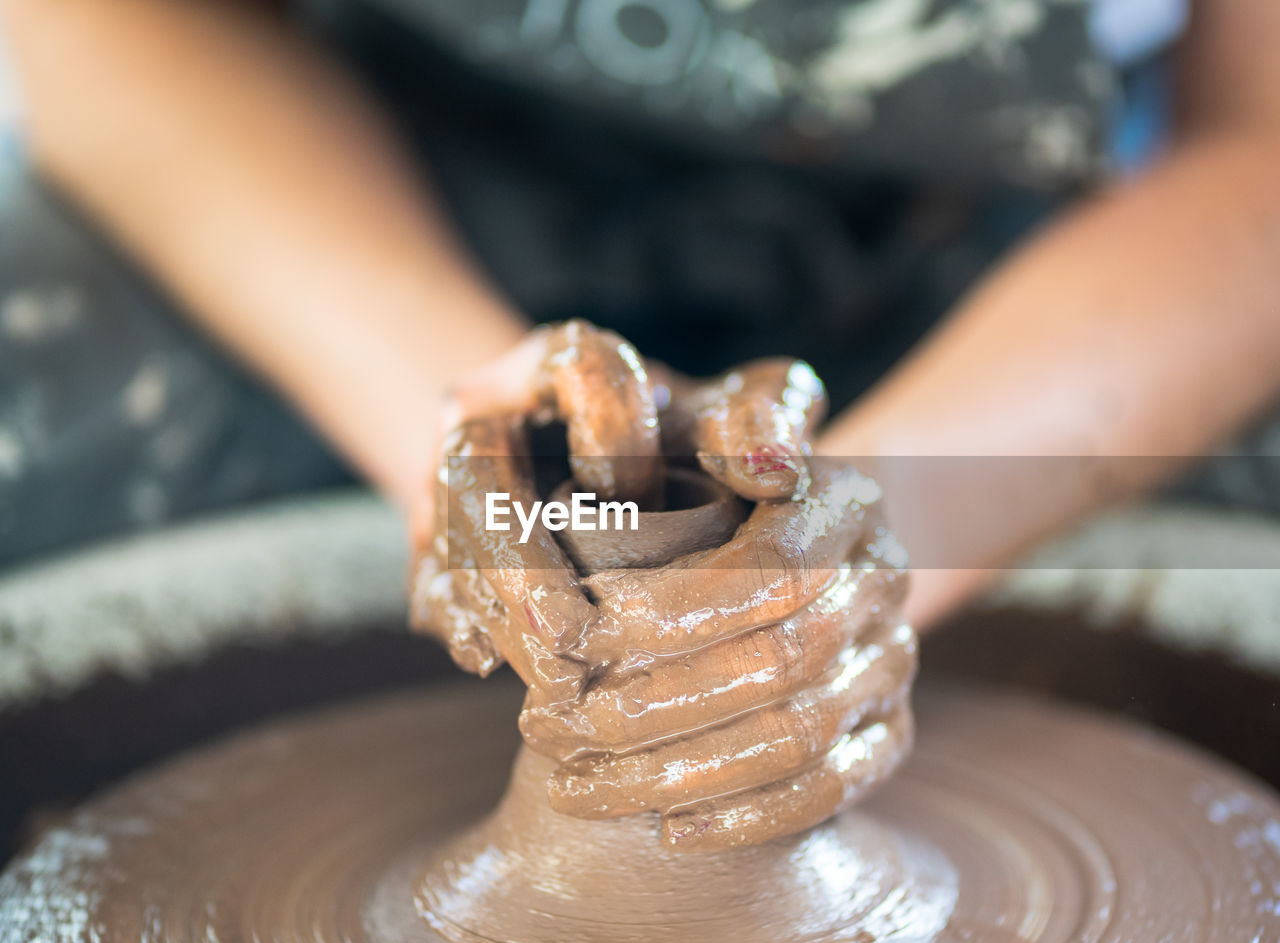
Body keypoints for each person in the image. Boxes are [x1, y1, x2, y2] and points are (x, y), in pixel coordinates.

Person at [3, 0, 1280, 632]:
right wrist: (446, 418)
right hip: (364, 172)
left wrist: (880, 528)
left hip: (998, 268)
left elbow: (1258, 152)